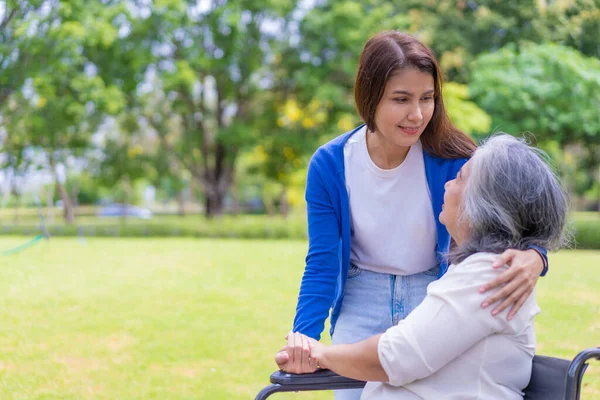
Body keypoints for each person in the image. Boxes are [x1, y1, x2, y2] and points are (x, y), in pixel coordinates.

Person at [287, 31, 548, 400]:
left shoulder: (455, 158)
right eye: (401, 99)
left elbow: (514, 211)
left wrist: (537, 255)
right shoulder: (331, 165)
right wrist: (304, 340)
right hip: (364, 295)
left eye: (427, 98)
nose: (418, 114)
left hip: (435, 291)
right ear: (369, 97)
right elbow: (322, 262)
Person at [276, 134, 569, 399]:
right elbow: (322, 263)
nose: (447, 183)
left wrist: (320, 353)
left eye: (460, 178)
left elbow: (397, 356)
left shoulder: (489, 275)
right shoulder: (475, 270)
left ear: (484, 205)